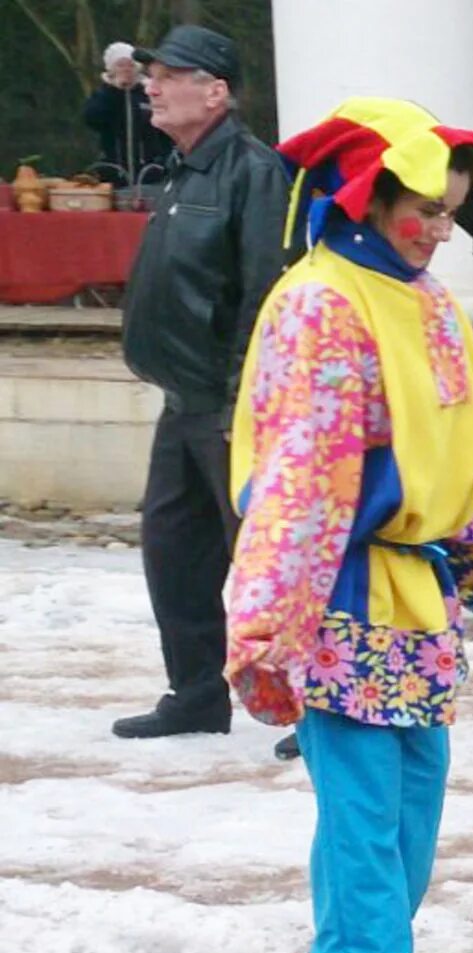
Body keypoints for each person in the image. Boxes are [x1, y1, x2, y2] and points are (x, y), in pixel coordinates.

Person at [224, 97, 473, 953]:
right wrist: (271, 623)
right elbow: (301, 479)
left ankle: (346, 949)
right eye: (420, 205)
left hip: (413, 593)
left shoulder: (427, 301)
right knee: (366, 801)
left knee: (408, 793)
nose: (435, 227)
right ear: (362, 197)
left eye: (450, 208)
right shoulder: (320, 301)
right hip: (339, 589)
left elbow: (460, 457)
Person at [115, 25, 289, 745]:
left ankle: (311, 707)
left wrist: (239, 400)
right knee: (174, 554)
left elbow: (265, 293)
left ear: (214, 91)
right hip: (182, 400)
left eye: (168, 75)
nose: (151, 85)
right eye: (151, 74)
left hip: (228, 406)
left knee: (267, 562)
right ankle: (195, 692)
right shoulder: (184, 167)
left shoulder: (254, 171)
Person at [82, 42, 169, 186]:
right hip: (113, 172)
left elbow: (165, 128)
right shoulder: (103, 95)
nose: (126, 69)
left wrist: (162, 161)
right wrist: (116, 91)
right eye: (120, 65)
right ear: (111, 69)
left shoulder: (149, 93)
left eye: (130, 65)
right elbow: (92, 119)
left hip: (150, 173)